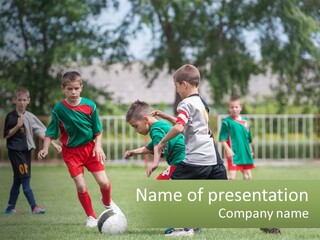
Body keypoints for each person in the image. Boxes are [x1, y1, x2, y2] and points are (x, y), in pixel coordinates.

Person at [152, 64, 228, 236]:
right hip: (213, 159)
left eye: (177, 86)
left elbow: (180, 128)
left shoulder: (185, 103)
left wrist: (162, 142)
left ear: (184, 84)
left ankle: (184, 228)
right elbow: (187, 125)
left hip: (196, 158)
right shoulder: (201, 102)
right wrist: (165, 116)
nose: (177, 91)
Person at [38, 71, 120, 228]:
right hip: (71, 153)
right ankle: (91, 217)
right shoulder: (59, 109)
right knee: (81, 186)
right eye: (69, 89)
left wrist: (98, 146)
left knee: (104, 182)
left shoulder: (90, 106)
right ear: (63, 89)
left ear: (81, 87)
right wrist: (45, 148)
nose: (73, 92)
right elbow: (50, 132)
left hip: (90, 149)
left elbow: (98, 131)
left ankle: (107, 202)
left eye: (76, 88)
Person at [3, 87, 61, 215]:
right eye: (19, 100)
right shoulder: (11, 117)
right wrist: (18, 125)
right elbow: (6, 135)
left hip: (26, 151)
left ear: (29, 100)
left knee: (18, 180)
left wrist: (53, 144)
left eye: (24, 100)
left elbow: (41, 132)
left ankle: (10, 208)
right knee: (25, 178)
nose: (22, 102)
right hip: (16, 152)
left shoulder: (29, 116)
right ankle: (34, 207)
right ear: (14, 100)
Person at [124, 100, 185, 180]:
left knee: (157, 189)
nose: (136, 130)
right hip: (185, 159)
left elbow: (157, 145)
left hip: (180, 162)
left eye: (136, 126)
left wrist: (155, 163)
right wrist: (132, 152)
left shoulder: (155, 129)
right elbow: (150, 148)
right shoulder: (161, 124)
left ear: (146, 119)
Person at [218, 96, 255, 180]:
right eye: (232, 107)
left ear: (241, 108)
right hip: (233, 153)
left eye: (236, 107)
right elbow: (223, 139)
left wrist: (250, 150)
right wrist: (228, 150)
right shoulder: (226, 121)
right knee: (231, 176)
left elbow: (248, 139)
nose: (234, 109)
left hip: (245, 152)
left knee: (248, 176)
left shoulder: (245, 122)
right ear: (229, 108)